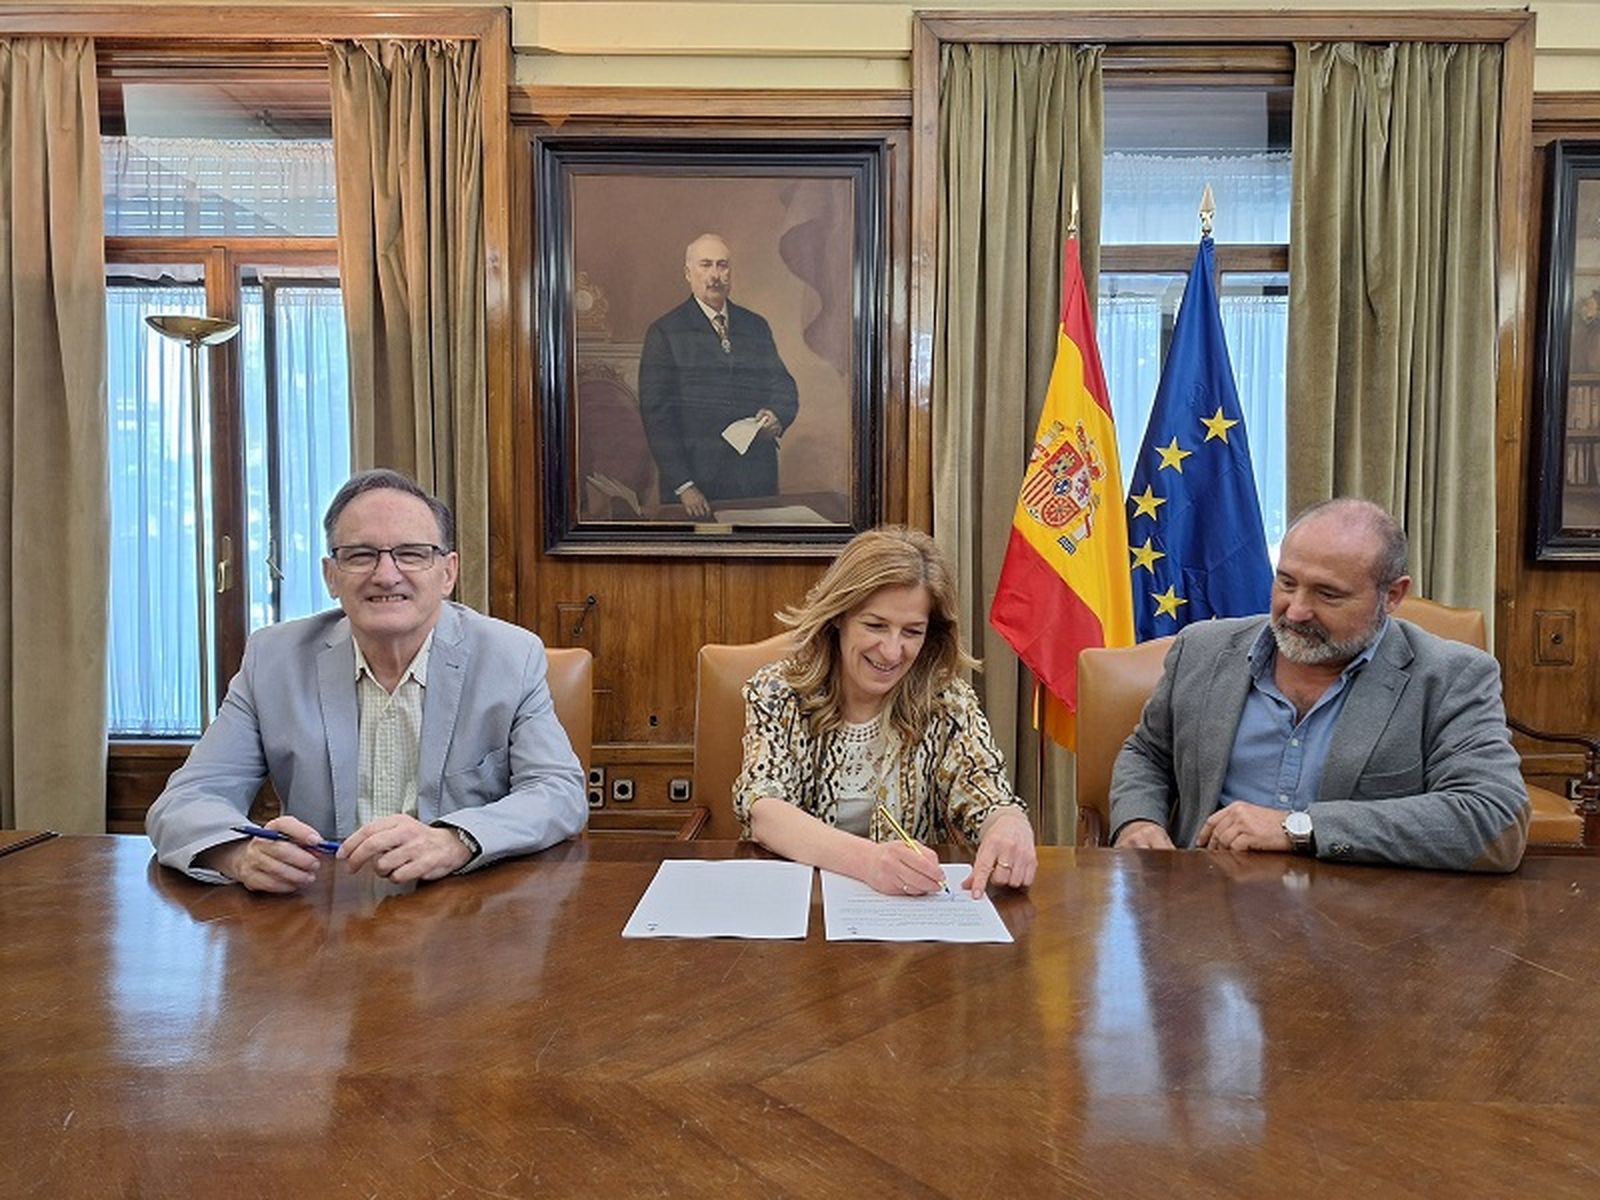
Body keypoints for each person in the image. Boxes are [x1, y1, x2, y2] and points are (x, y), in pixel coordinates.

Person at [147, 469, 587, 892]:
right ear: (331, 575)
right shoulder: (273, 660)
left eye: (411, 553)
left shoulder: (510, 657)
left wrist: (456, 839)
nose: (386, 574)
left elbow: (558, 792)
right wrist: (238, 855)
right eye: (360, 555)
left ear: (447, 573)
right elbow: (184, 801)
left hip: (464, 910)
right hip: (318, 914)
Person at [1109, 497, 1529, 873]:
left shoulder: (1451, 677)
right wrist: (1138, 820)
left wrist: (1301, 828)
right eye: (1287, 582)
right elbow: (1147, 752)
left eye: (1328, 594)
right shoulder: (1202, 650)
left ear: (1393, 596)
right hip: (1205, 916)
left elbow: (1493, 820)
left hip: (1365, 926)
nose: (1296, 611)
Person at [735, 526, 1037, 897]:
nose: (892, 652)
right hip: (797, 906)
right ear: (839, 617)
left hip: (906, 916)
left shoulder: (947, 700)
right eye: (876, 626)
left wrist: (1008, 823)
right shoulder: (778, 690)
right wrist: (869, 862)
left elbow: (986, 792)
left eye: (911, 632)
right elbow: (765, 810)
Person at [637, 233, 799, 517]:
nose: (715, 275)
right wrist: (683, 485)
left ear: (730, 272)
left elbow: (783, 386)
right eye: (706, 265)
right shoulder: (665, 332)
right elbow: (657, 416)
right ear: (688, 273)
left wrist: (777, 414)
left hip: (755, 478)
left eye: (722, 265)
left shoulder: (755, 326)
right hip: (698, 485)